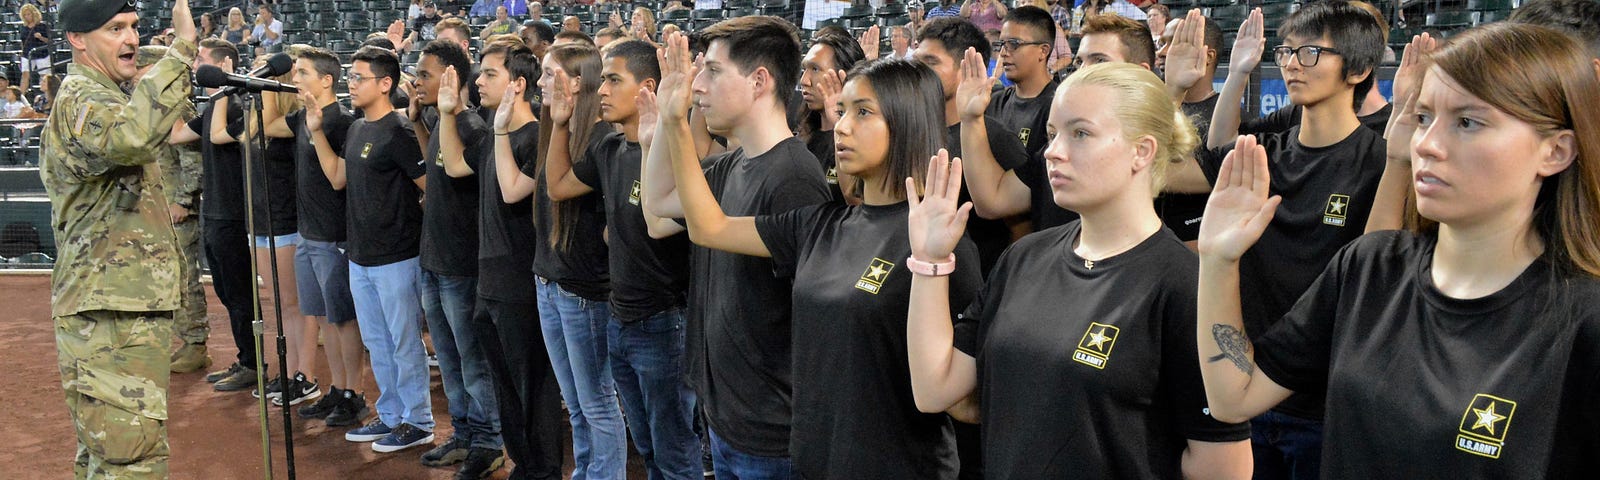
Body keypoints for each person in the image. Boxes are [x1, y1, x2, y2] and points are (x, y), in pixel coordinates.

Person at [1196, 22, 1600, 478]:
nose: (1427, 145)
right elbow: (1232, 399)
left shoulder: (1582, 319)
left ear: (1556, 151)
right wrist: (1217, 259)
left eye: (1468, 122)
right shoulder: (1370, 267)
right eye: (1424, 118)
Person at [906, 60, 1252, 480]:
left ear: (1142, 151)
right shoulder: (1024, 258)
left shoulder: (1184, 284)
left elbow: (1224, 468)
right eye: (1052, 134)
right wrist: (929, 262)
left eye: (1080, 133)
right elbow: (934, 389)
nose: (1053, 150)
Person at [676, 53, 980, 478]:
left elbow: (966, 398)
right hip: (813, 463)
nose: (841, 125)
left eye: (863, 112)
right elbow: (709, 227)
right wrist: (674, 122)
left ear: (906, 121)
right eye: (842, 112)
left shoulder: (943, 245)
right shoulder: (821, 223)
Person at [1193, 3, 1387, 478]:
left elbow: (1380, 271)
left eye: (1312, 52)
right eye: (1287, 50)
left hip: (1326, 403)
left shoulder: (1380, 163)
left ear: (1358, 70)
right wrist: (1231, 73)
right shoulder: (1262, 155)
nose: (1293, 62)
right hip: (1243, 383)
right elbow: (1196, 161)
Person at [640, 19, 831, 478]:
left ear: (759, 81)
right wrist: (666, 124)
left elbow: (708, 228)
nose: (698, 86)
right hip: (726, 417)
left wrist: (675, 120)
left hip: (769, 430)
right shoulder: (732, 164)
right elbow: (657, 211)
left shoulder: (795, 177)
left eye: (712, 71)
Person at [41, 0, 196, 476]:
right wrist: (182, 51)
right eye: (115, 29)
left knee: (110, 456)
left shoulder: (102, 94)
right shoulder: (83, 98)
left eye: (133, 27)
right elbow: (130, 137)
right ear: (77, 39)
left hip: (114, 306)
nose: (131, 39)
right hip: (109, 311)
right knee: (133, 461)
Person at [543, 38, 702, 480]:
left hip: (666, 322)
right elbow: (556, 187)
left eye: (614, 80)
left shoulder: (675, 151)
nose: (603, 90)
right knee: (649, 447)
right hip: (620, 317)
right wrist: (559, 125)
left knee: (674, 450)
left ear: (647, 88)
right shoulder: (608, 148)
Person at [410, 38, 508, 477]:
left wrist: (438, 119)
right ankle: (465, 434)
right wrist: (419, 124)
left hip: (462, 266)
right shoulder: (443, 122)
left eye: (426, 73)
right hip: (434, 260)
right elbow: (436, 174)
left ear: (453, 76)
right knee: (449, 359)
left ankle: (489, 442)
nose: (417, 80)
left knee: (472, 361)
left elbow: (456, 170)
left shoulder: (471, 127)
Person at [335, 45, 437, 454]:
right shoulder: (358, 128)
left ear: (385, 83)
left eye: (359, 78)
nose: (351, 84)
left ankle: (419, 420)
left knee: (404, 342)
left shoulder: (399, 131)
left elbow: (431, 189)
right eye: (351, 76)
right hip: (361, 256)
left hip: (397, 257)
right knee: (377, 342)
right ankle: (392, 413)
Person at [533, 42, 626, 480]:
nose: (539, 83)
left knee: (597, 402)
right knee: (577, 403)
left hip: (584, 289)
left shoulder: (603, 137)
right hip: (550, 279)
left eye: (549, 74)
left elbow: (558, 189)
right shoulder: (560, 129)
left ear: (575, 83)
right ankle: (587, 471)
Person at [479, 37, 570, 480]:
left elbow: (514, 191)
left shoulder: (537, 137)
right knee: (505, 384)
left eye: (489, 74)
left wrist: (498, 130)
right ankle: (524, 464)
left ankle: (545, 468)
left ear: (517, 85)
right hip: (489, 279)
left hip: (520, 279)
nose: (479, 81)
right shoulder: (495, 134)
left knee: (533, 382)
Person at [273, 46, 372, 430]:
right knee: (326, 320)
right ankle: (336, 387)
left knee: (344, 320)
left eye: (302, 73)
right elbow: (263, 124)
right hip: (307, 235)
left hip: (333, 236)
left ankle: (355, 393)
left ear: (326, 80)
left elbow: (340, 179)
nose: (294, 80)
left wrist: (316, 132)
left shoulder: (342, 122)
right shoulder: (300, 118)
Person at [171, 38, 266, 394]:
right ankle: (245, 358)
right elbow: (177, 135)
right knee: (227, 293)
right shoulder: (213, 104)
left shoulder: (241, 103)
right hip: (214, 212)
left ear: (224, 64)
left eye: (201, 59)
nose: (196, 64)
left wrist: (227, 88)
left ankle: (253, 363)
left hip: (235, 214)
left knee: (241, 294)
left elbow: (220, 137)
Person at [129, 46, 209, 377]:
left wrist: (184, 201)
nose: (133, 76)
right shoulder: (143, 105)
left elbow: (194, 160)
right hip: (152, 207)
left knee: (184, 276)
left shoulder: (177, 105)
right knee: (158, 278)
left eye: (138, 70)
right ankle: (175, 340)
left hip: (175, 208)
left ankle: (195, 344)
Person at [796, 30, 866, 202]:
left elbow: (856, 201)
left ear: (844, 75)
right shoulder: (801, 137)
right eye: (805, 69)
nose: (804, 80)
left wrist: (840, 120)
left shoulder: (866, 140)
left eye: (815, 69)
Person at [20, 3, 53, 94]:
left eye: (28, 14)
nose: (27, 17)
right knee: (25, 75)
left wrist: (41, 37)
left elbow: (50, 41)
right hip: (27, 54)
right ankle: (19, 97)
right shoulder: (23, 27)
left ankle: (47, 96)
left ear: (34, 14)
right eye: (25, 15)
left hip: (42, 54)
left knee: (44, 76)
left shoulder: (42, 26)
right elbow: (22, 42)